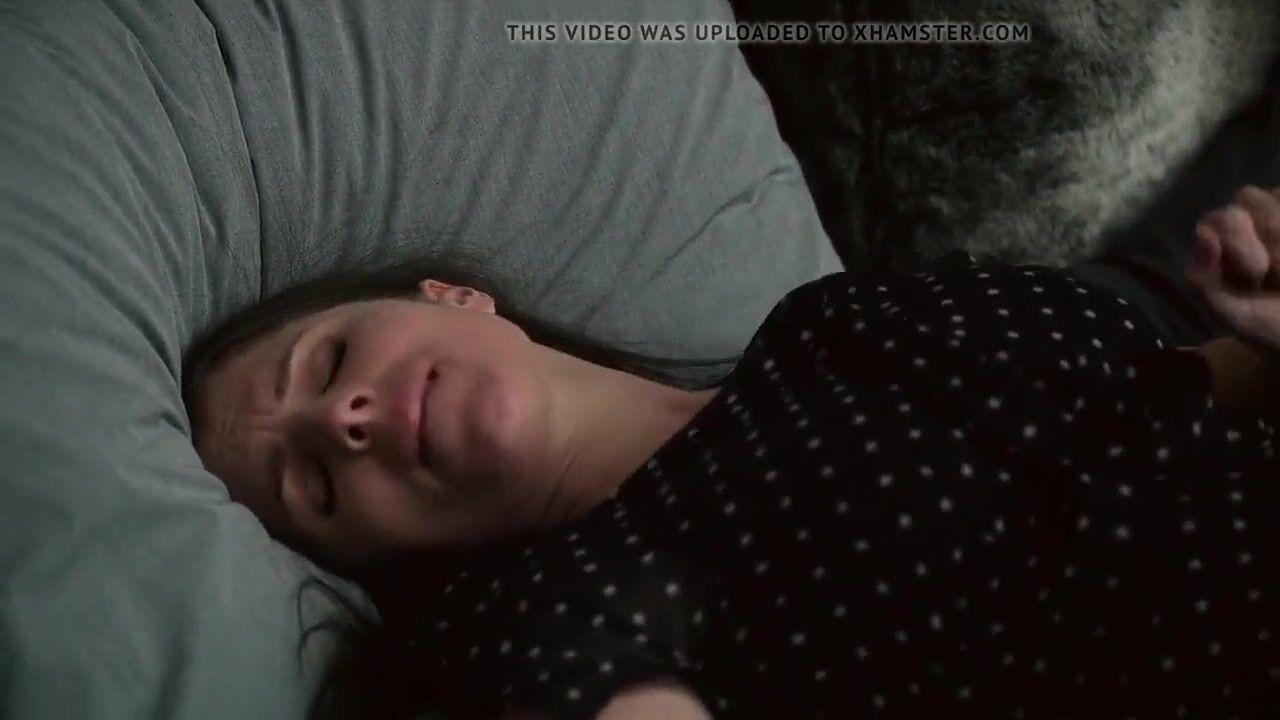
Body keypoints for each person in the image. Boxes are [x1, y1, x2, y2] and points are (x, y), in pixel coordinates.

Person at [183, 186, 1280, 720]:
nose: (345, 420)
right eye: (317, 485)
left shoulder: (833, 320)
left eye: (327, 364)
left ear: (449, 296)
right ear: (375, 557)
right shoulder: (533, 622)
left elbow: (1190, 395)